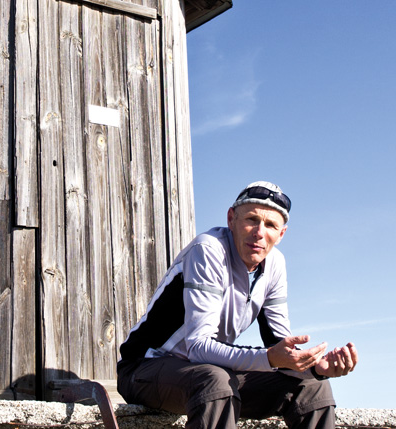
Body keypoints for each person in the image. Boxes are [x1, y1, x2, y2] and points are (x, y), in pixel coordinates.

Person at [117, 181, 358, 429]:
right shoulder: (208, 249)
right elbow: (198, 347)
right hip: (144, 369)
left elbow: (278, 345)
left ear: (281, 234)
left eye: (271, 225)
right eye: (252, 219)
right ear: (231, 219)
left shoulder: (275, 264)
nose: (259, 232)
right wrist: (270, 358)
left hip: (210, 372)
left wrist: (314, 368)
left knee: (312, 388)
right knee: (214, 381)